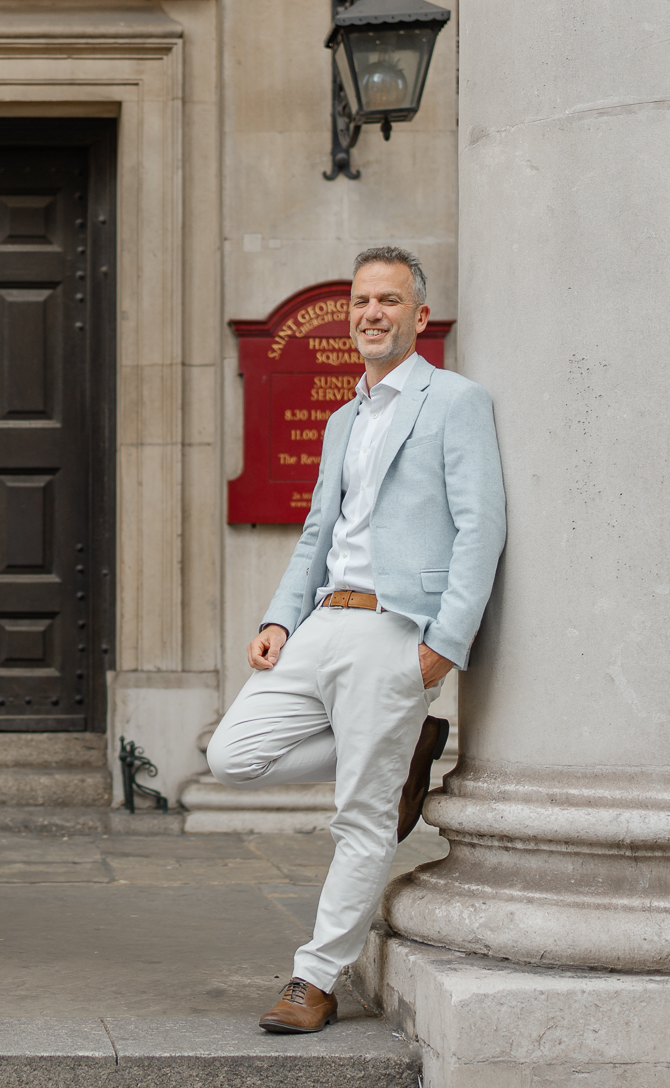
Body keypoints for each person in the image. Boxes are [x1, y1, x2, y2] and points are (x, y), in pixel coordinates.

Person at [208, 246, 504, 1033]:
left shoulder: (455, 402)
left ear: (419, 315)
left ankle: (315, 979)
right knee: (231, 756)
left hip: (396, 627)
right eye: (361, 301)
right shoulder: (344, 417)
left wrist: (444, 644)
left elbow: (482, 528)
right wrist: (278, 618)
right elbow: (317, 531)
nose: (371, 313)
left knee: (362, 816)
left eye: (388, 300)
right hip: (322, 623)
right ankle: (399, 747)